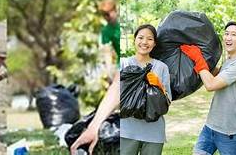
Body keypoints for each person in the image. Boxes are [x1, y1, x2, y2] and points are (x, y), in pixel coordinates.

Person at [71, 25, 171, 155]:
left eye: (150, 39)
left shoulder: (161, 67)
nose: (144, 42)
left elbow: (167, 102)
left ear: (155, 43)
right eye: (140, 38)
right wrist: (93, 126)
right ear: (134, 40)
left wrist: (159, 86)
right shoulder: (124, 64)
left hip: (154, 133)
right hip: (127, 132)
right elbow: (114, 93)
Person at [180, 21, 236, 155]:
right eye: (226, 34)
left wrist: (198, 58)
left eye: (233, 35)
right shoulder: (229, 61)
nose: (228, 38)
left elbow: (211, 85)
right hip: (210, 127)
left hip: (230, 133)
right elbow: (213, 76)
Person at [98, 0, 121, 78]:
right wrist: (109, 73)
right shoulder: (106, 31)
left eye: (108, 14)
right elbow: (107, 53)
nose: (106, 17)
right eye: (104, 15)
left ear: (115, 10)